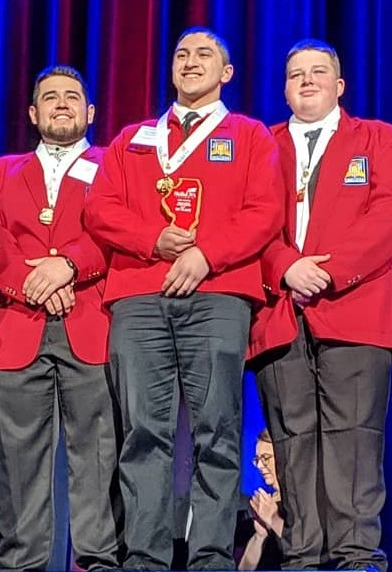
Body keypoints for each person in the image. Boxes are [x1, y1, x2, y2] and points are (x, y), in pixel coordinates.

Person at [84, 26, 283, 571]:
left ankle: (212, 559)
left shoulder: (249, 135)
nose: (190, 62)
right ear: (171, 70)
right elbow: (99, 208)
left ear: (227, 73)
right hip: (139, 295)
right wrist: (152, 240)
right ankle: (145, 560)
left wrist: (206, 254)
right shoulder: (133, 138)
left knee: (217, 433)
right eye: (180, 55)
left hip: (218, 295)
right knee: (142, 434)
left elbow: (265, 211)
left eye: (204, 55)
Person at [249, 39, 392, 571]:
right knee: (292, 443)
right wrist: (286, 264)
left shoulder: (377, 139)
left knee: (353, 443)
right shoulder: (262, 144)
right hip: (279, 313)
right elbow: (247, 219)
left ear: (340, 85)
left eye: (318, 72)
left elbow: (385, 215)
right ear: (284, 87)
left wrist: (326, 272)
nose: (306, 80)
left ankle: (356, 559)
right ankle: (303, 560)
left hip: (355, 310)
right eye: (294, 73)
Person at [0, 65, 124, 570]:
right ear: (33, 113)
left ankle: (97, 562)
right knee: (19, 463)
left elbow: (118, 233)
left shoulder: (114, 166)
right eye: (50, 97)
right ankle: (19, 564)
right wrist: (32, 286)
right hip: (14, 328)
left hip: (91, 325)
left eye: (73, 97)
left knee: (96, 457)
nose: (62, 104)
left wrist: (67, 266)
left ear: (90, 112)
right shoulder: (2, 170)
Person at [236, 429, 283, 570]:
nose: (260, 466)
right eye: (258, 460)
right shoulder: (263, 505)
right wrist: (260, 536)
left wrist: (274, 519)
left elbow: (308, 548)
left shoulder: (303, 501)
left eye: (266, 458)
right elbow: (244, 569)